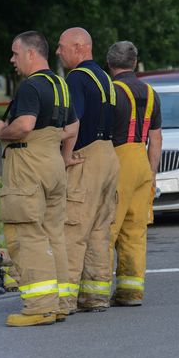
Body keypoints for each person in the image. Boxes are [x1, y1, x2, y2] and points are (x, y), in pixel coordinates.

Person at [0, 31, 79, 327]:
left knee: (26, 235)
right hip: (52, 164)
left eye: (15, 53)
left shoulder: (31, 86)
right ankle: (62, 302)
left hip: (27, 167)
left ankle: (40, 307)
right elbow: (73, 126)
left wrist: (1, 131)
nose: (11, 59)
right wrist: (62, 154)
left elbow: (24, 125)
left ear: (31, 53)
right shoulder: (60, 85)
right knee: (54, 234)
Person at [57, 27, 120, 312]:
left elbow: (73, 123)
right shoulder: (105, 78)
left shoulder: (77, 78)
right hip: (109, 155)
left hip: (86, 157)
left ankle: (65, 299)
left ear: (80, 47)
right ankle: (95, 296)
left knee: (73, 228)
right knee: (99, 230)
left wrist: (65, 156)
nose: (58, 52)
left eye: (62, 46)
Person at [106, 41, 162, 306]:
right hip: (142, 163)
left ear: (109, 64)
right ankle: (131, 292)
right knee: (135, 231)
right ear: (135, 63)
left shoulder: (111, 91)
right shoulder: (151, 93)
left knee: (107, 229)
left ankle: (95, 291)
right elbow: (156, 138)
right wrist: (152, 175)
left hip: (119, 162)